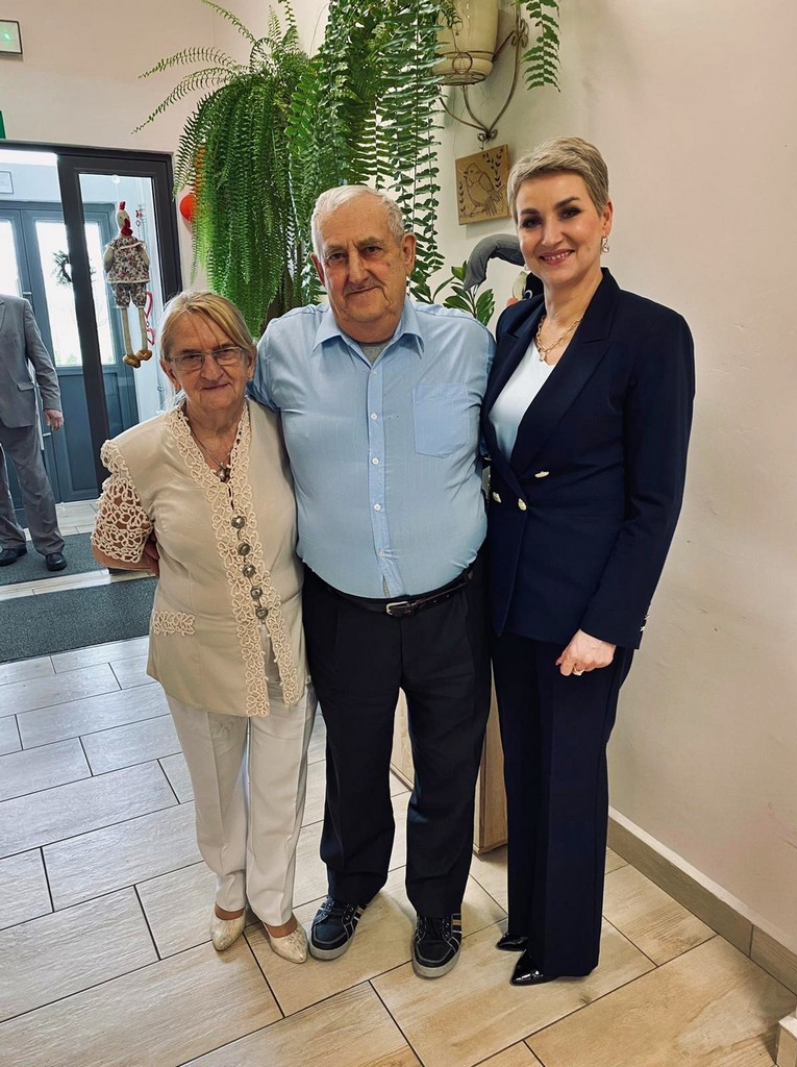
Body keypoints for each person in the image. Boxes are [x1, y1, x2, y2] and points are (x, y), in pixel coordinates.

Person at [251, 186, 494, 978]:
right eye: (336, 255)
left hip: (453, 608)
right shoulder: (283, 349)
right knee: (354, 764)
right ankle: (352, 887)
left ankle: (438, 902)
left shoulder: (467, 345)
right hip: (342, 609)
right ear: (318, 264)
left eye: (371, 250)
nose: (355, 270)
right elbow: (223, 427)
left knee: (448, 765)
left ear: (407, 252)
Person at [482, 137, 694, 985]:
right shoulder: (514, 323)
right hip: (509, 595)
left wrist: (608, 623)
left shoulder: (651, 335)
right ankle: (527, 918)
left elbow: (655, 502)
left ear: (605, 217)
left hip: (584, 608)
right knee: (526, 764)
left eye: (568, 212)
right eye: (531, 219)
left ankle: (564, 947)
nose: (550, 235)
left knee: (570, 773)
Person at [91, 290, 316, 964]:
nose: (211, 368)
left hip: (283, 639)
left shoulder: (285, 432)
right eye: (190, 356)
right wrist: (164, 559)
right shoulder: (141, 452)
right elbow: (109, 544)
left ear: (250, 359)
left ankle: (274, 901)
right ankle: (231, 887)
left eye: (225, 351)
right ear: (168, 368)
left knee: (280, 778)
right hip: (195, 645)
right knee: (216, 783)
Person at [0, 293, 67, 571]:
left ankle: (50, 545)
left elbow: (41, 359)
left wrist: (52, 403)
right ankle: (11, 540)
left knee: (34, 480)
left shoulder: (17, 308)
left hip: (17, 407)